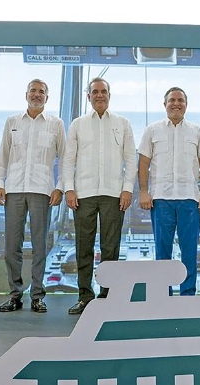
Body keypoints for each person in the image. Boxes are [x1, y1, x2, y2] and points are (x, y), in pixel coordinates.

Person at [61, 77, 137, 314]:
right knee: (83, 245)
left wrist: (127, 189)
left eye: (103, 91)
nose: (99, 95)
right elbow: (68, 159)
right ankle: (85, 296)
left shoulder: (122, 123)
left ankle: (108, 295)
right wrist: (69, 188)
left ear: (109, 95)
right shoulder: (77, 124)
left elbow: (131, 159)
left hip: (114, 194)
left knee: (110, 247)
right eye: (95, 92)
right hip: (83, 194)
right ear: (89, 96)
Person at [0, 79, 66, 313]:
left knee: (39, 245)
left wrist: (60, 186)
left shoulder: (56, 124)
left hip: (42, 190)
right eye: (33, 91)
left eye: (41, 92)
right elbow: (3, 156)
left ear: (48, 97)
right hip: (14, 189)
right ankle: (15, 294)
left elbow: (65, 159)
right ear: (26, 94)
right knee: (12, 244)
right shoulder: (12, 122)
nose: (37, 95)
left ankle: (37, 294)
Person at [138, 87, 200, 296]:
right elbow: (143, 163)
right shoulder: (152, 130)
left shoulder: (197, 131)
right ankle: (163, 295)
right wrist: (143, 192)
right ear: (165, 104)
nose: (176, 104)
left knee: (189, 252)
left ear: (186, 105)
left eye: (180, 100)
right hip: (161, 200)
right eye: (172, 100)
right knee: (163, 253)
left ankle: (188, 295)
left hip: (190, 200)